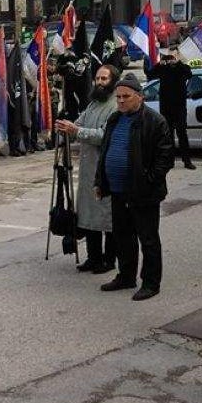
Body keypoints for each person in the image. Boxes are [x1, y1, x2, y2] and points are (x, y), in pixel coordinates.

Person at [93, 74, 173, 301]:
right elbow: (105, 152)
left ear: (139, 96)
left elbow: (164, 159)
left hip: (143, 193)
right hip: (117, 191)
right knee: (122, 236)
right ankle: (126, 276)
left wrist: (147, 181)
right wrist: (100, 181)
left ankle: (150, 282)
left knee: (148, 239)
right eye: (117, 97)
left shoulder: (155, 121)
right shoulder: (114, 119)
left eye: (125, 97)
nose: (120, 101)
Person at [55, 64, 120, 273]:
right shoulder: (93, 103)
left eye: (104, 79)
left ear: (113, 81)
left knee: (107, 218)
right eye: (98, 79)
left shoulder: (115, 106)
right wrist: (66, 127)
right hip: (87, 170)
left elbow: (104, 135)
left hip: (105, 170)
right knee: (89, 216)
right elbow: (78, 124)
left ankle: (109, 260)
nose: (100, 83)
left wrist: (77, 130)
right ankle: (93, 257)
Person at [145, 50, 196, 170]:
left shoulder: (182, 68)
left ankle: (187, 160)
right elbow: (150, 74)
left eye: (172, 57)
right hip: (166, 107)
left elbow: (189, 74)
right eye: (169, 58)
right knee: (168, 135)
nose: (170, 60)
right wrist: (159, 64)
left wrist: (178, 63)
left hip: (179, 107)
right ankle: (170, 160)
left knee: (182, 133)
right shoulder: (163, 69)